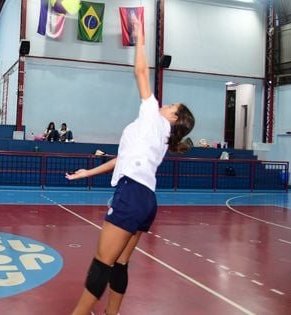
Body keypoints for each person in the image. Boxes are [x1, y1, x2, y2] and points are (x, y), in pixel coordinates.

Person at [66, 14, 195, 315]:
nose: (164, 104)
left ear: (174, 117)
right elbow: (122, 160)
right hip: (146, 199)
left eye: (170, 106)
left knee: (101, 262)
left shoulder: (153, 116)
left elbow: (140, 71)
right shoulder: (159, 137)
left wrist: (140, 37)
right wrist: (89, 171)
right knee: (120, 262)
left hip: (132, 193)